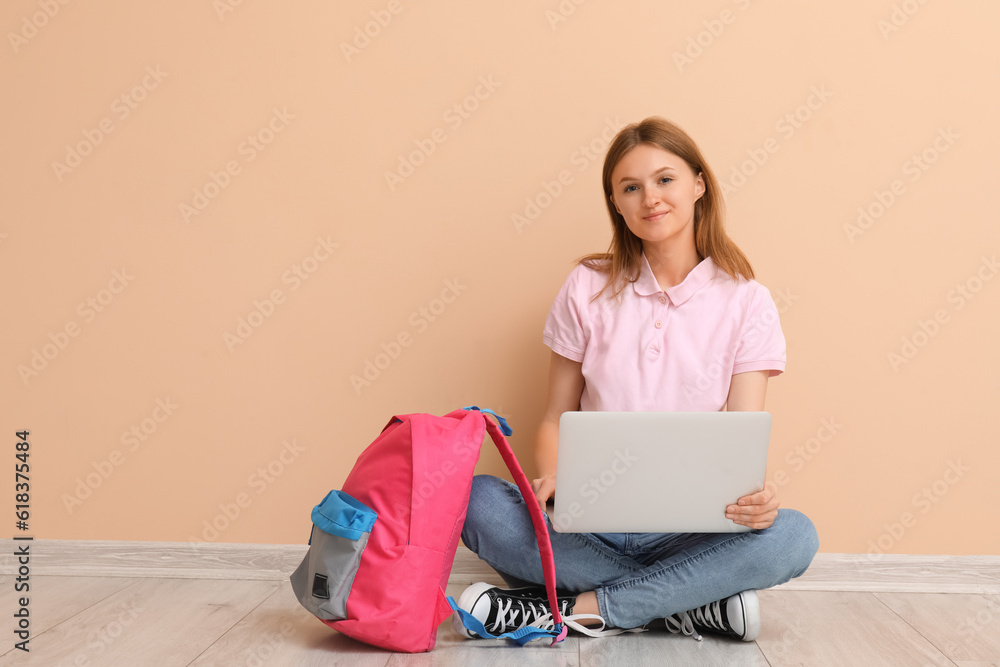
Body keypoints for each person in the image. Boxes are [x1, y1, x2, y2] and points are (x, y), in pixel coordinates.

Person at [453, 116, 820, 642]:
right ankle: (685, 605)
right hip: (585, 519)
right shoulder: (587, 287)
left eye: (665, 179)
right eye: (631, 187)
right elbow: (555, 416)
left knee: (792, 536)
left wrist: (754, 499)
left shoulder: (746, 301)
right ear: (618, 206)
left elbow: (740, 438)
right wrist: (553, 475)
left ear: (699, 185)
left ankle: (565, 609)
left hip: (687, 530)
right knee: (475, 499)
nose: (651, 197)